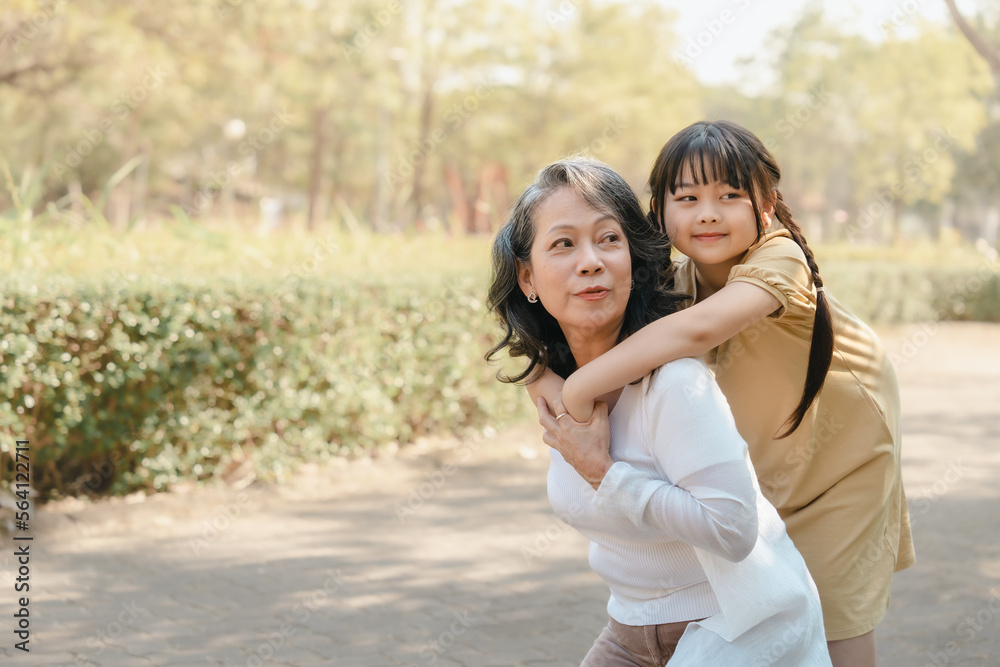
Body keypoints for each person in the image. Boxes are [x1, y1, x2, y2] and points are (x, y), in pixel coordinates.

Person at [532, 122, 915, 667]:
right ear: (659, 212)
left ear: (767, 205)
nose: (708, 214)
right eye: (687, 198)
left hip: (844, 459)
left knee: (833, 612)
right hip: (770, 457)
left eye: (730, 195)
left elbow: (697, 330)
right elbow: (546, 339)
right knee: (776, 594)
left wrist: (576, 391)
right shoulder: (676, 281)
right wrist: (540, 378)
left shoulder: (780, 256)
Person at [486, 157, 831, 666]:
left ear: (634, 260)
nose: (591, 261)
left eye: (609, 239)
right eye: (563, 244)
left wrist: (605, 474)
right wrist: (541, 375)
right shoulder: (555, 386)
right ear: (527, 277)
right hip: (629, 631)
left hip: (737, 627)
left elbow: (733, 530)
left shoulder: (675, 384)